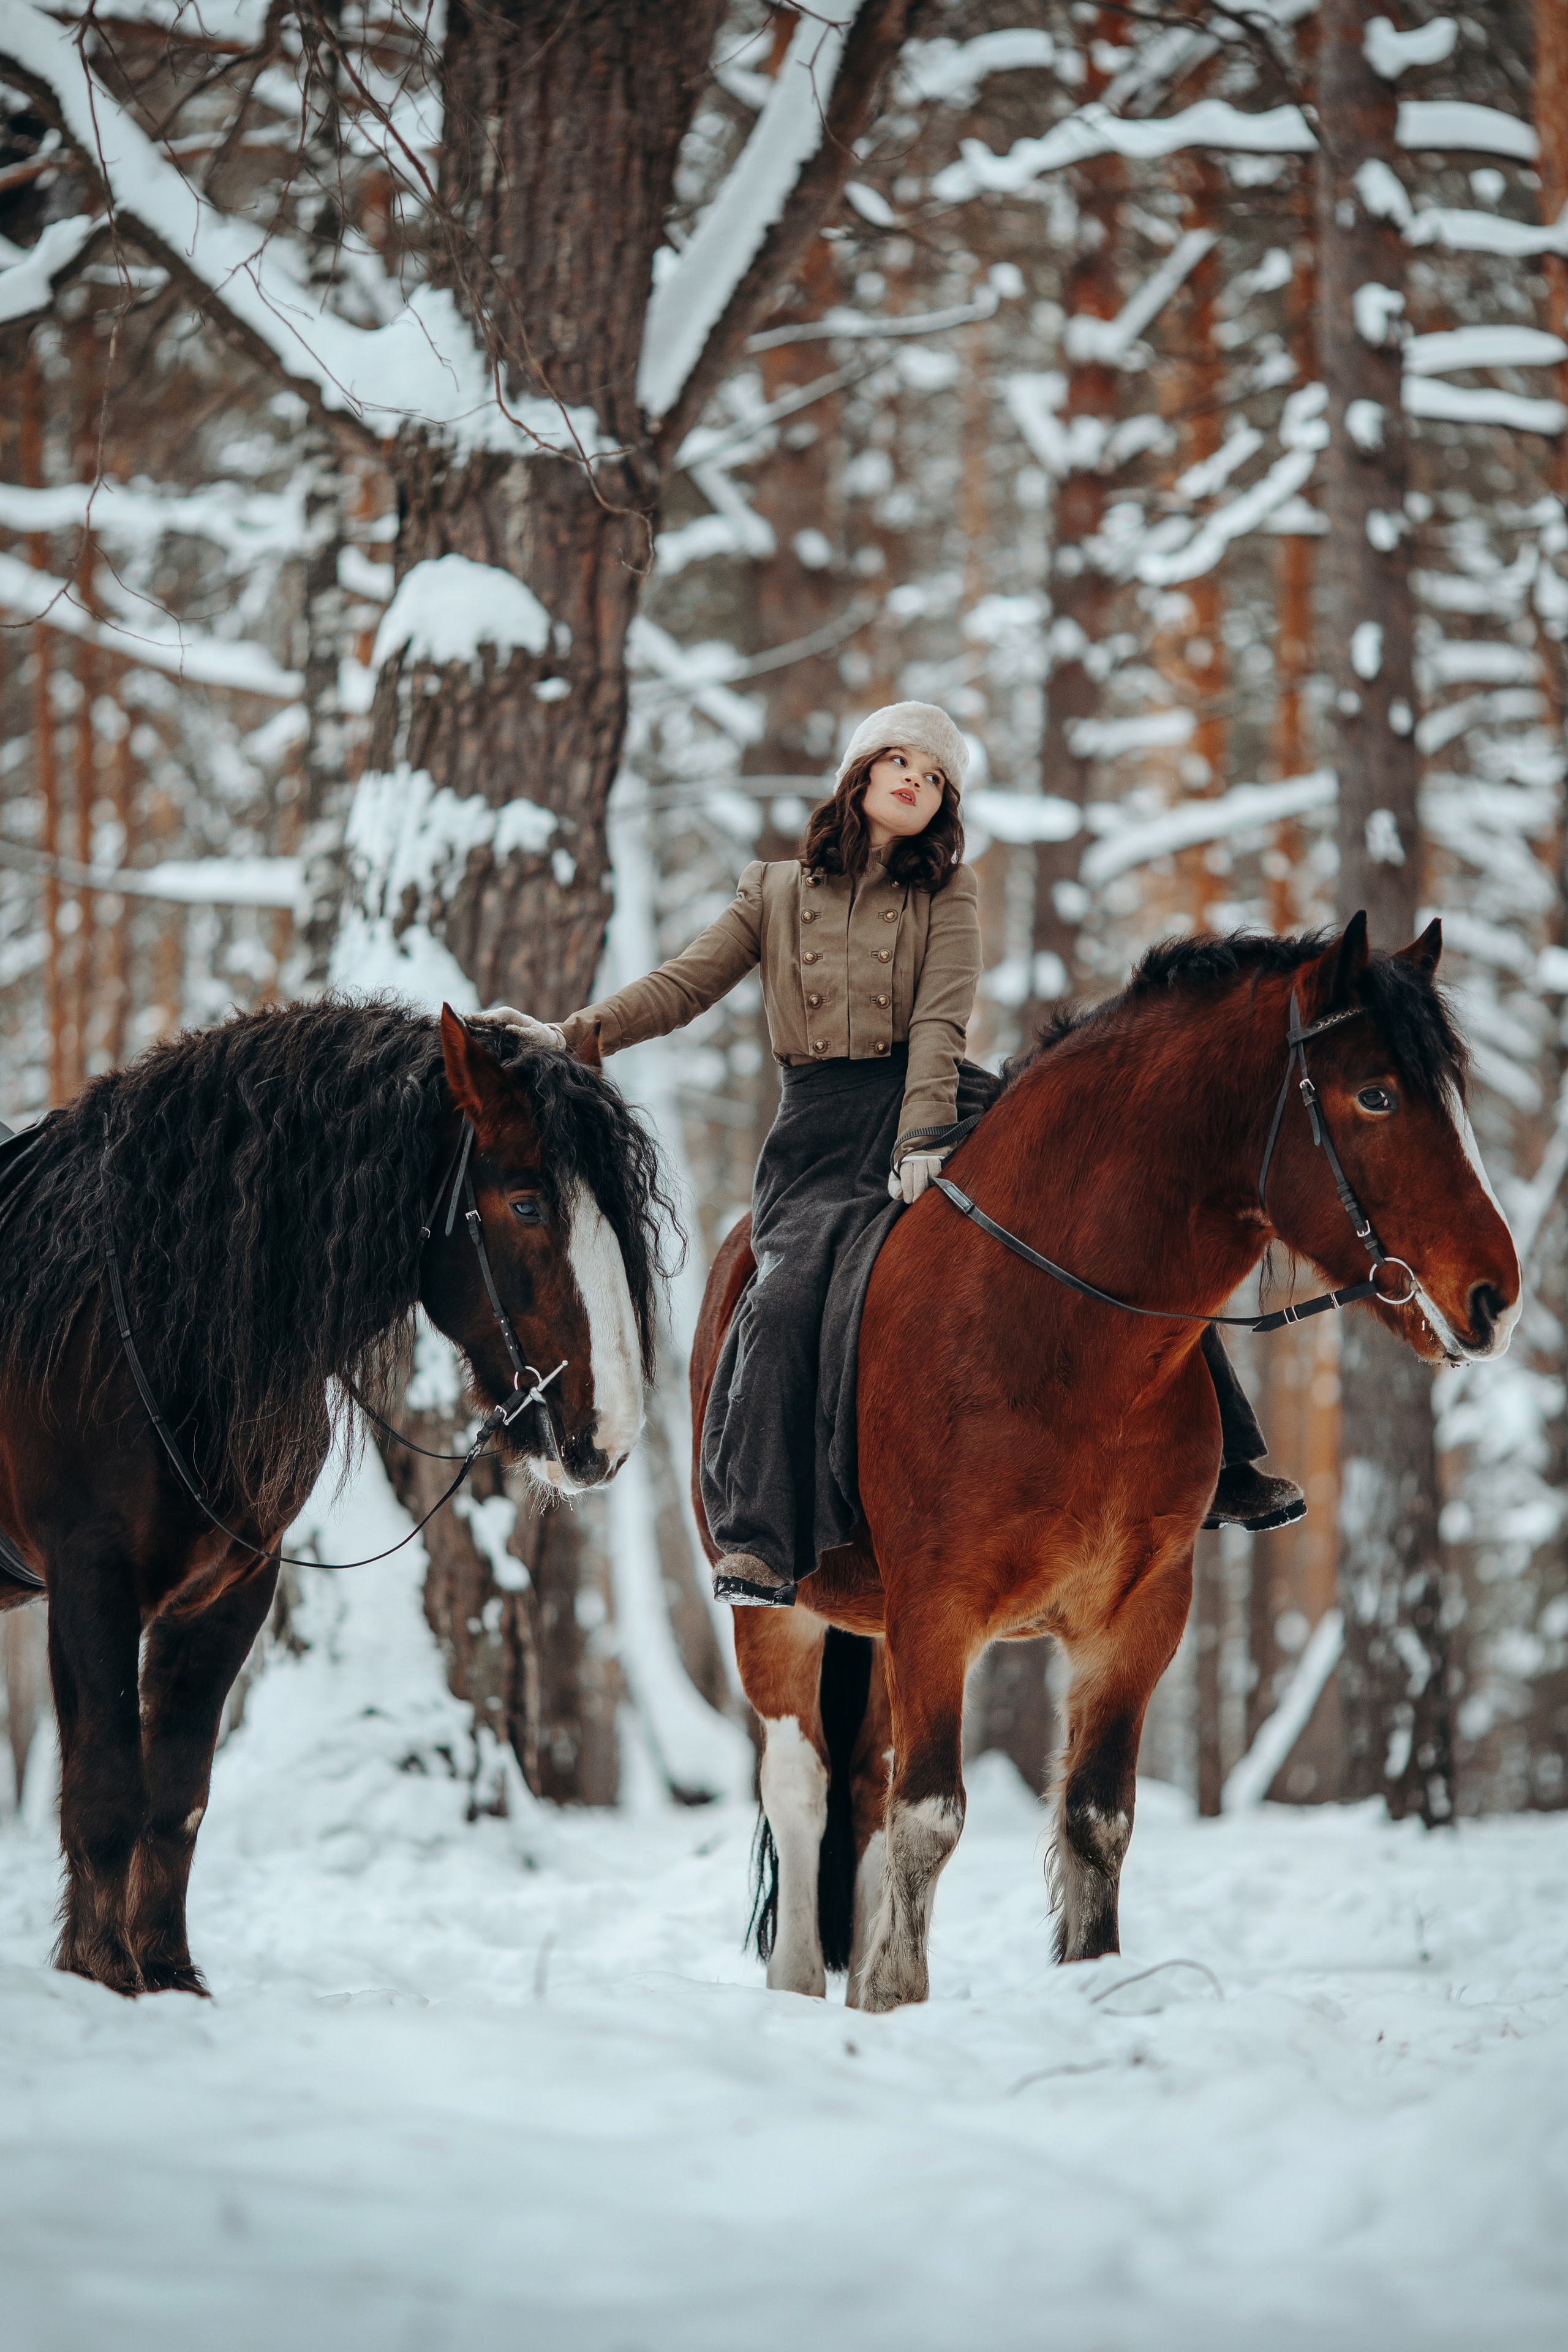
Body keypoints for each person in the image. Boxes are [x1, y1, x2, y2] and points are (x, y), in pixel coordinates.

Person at [494, 701, 1303, 1608]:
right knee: (787, 1290)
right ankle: (760, 1538)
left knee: (1120, 1227)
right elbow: (683, 985)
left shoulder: (948, 896)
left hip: (946, 1101)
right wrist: (575, 1036)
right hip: (823, 1128)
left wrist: (927, 1134)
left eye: (935, 773)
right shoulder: (770, 892)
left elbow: (940, 1021)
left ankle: (1228, 1461)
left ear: (943, 805)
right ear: (862, 771)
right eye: (900, 760)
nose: (914, 778)